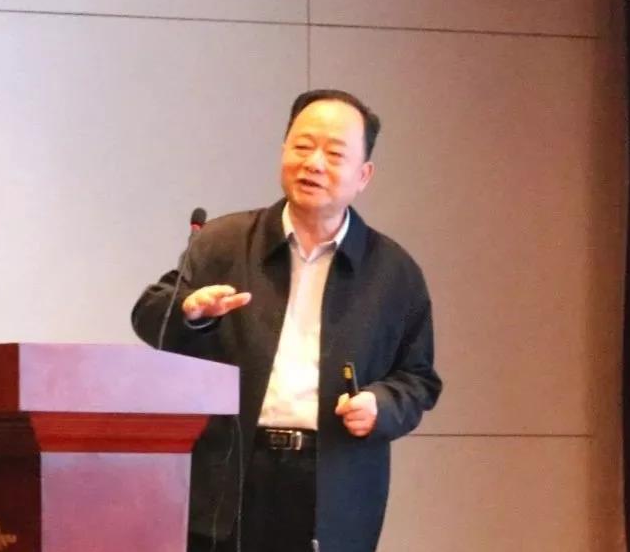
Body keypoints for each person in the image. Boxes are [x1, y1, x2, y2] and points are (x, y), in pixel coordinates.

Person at [131, 89, 442, 552]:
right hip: (232, 476)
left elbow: (418, 379)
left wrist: (382, 404)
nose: (313, 163)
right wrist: (190, 310)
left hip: (332, 480)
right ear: (283, 151)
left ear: (363, 175)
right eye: (302, 146)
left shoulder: (393, 272)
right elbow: (149, 312)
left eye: (334, 154)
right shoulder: (224, 242)